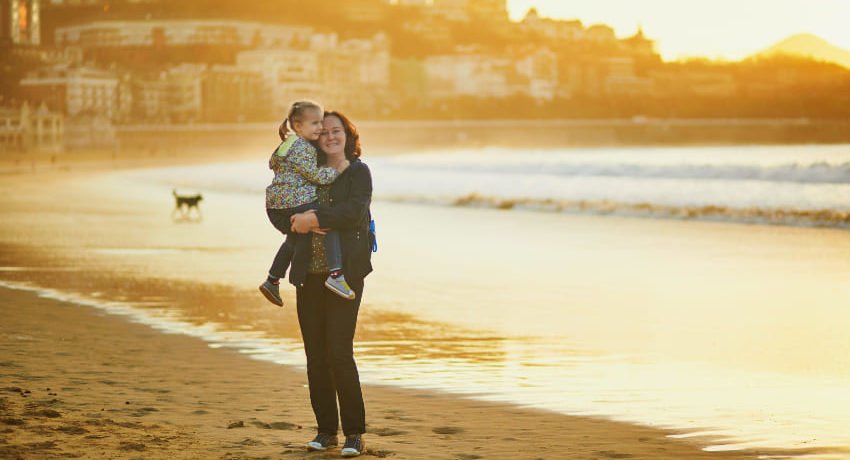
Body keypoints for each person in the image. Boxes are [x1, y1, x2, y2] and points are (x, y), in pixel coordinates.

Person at [289, 111, 373, 458]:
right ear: (315, 138)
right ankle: (326, 431)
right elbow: (283, 207)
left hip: (345, 276)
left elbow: (355, 212)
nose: (330, 137)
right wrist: (294, 221)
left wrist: (315, 218)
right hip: (308, 273)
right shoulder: (306, 172)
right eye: (323, 132)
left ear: (347, 135)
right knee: (315, 355)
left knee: (339, 352)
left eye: (336, 131)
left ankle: (354, 433)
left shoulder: (358, 172)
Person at [259, 101, 357, 308]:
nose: (320, 128)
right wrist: (338, 170)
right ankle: (336, 275)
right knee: (327, 221)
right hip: (295, 200)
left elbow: (272, 163)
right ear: (298, 125)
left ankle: (272, 280)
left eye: (321, 122)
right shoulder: (303, 147)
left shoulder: (287, 144)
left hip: (275, 204)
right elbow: (316, 176)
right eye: (315, 123)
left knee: (294, 240)